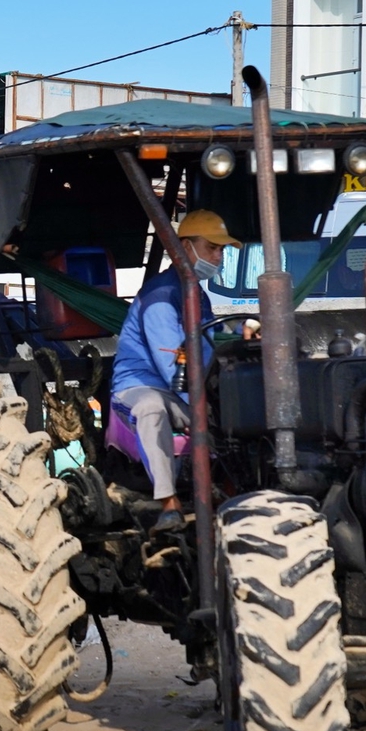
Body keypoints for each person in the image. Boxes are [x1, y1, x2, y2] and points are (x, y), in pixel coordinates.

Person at [110, 210, 239, 532]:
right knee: (151, 408)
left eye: (221, 250)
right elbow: (174, 365)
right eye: (212, 248)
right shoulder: (160, 297)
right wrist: (205, 402)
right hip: (142, 386)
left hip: (184, 389)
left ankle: (234, 493)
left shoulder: (197, 294)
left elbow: (207, 349)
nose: (218, 257)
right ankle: (169, 503)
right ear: (184, 247)